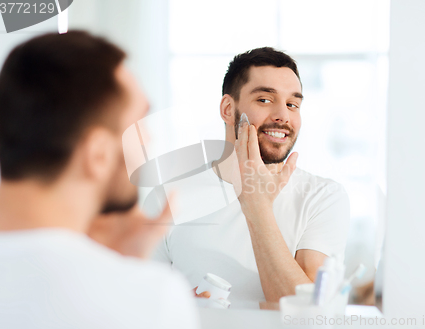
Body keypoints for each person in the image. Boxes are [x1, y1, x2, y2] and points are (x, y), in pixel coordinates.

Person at [0, 31, 199, 328]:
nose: (149, 137)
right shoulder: (150, 298)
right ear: (99, 154)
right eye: (140, 123)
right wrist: (129, 278)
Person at [143, 47, 351, 306]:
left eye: (292, 104)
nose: (283, 116)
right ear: (228, 109)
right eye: (264, 100)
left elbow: (307, 313)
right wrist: (177, 310)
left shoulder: (323, 197)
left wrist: (257, 207)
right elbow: (141, 305)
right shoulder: (166, 199)